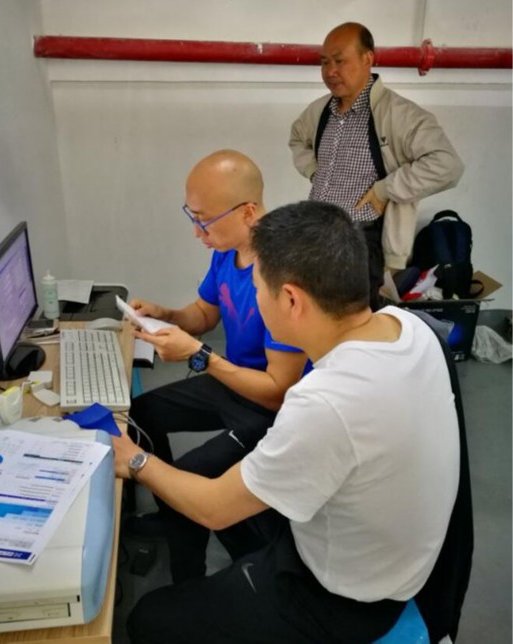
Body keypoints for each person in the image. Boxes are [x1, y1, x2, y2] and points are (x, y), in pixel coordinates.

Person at [112, 200, 461, 644]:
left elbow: (213, 507)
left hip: (347, 601)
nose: (256, 298)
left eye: (259, 289)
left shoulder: (325, 402)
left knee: (148, 618)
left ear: (292, 299)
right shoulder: (407, 326)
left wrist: (134, 460)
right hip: (403, 559)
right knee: (224, 482)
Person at [126, 149, 307, 582]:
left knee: (187, 478)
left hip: (269, 405)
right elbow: (205, 314)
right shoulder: (227, 251)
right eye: (193, 217)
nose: (197, 232)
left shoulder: (283, 274)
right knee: (142, 413)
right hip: (232, 380)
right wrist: (167, 315)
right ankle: (173, 515)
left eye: (204, 221)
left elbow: (278, 392)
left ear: (248, 212)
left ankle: (189, 584)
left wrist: (200, 356)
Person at [289, 22, 464, 309]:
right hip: (317, 233)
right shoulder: (320, 111)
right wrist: (315, 172)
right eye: (324, 62)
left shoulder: (401, 115)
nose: (330, 71)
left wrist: (385, 189)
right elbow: (297, 138)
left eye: (339, 61)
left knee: (355, 319)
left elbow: (447, 165)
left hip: (361, 240)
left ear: (368, 58)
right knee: (315, 313)